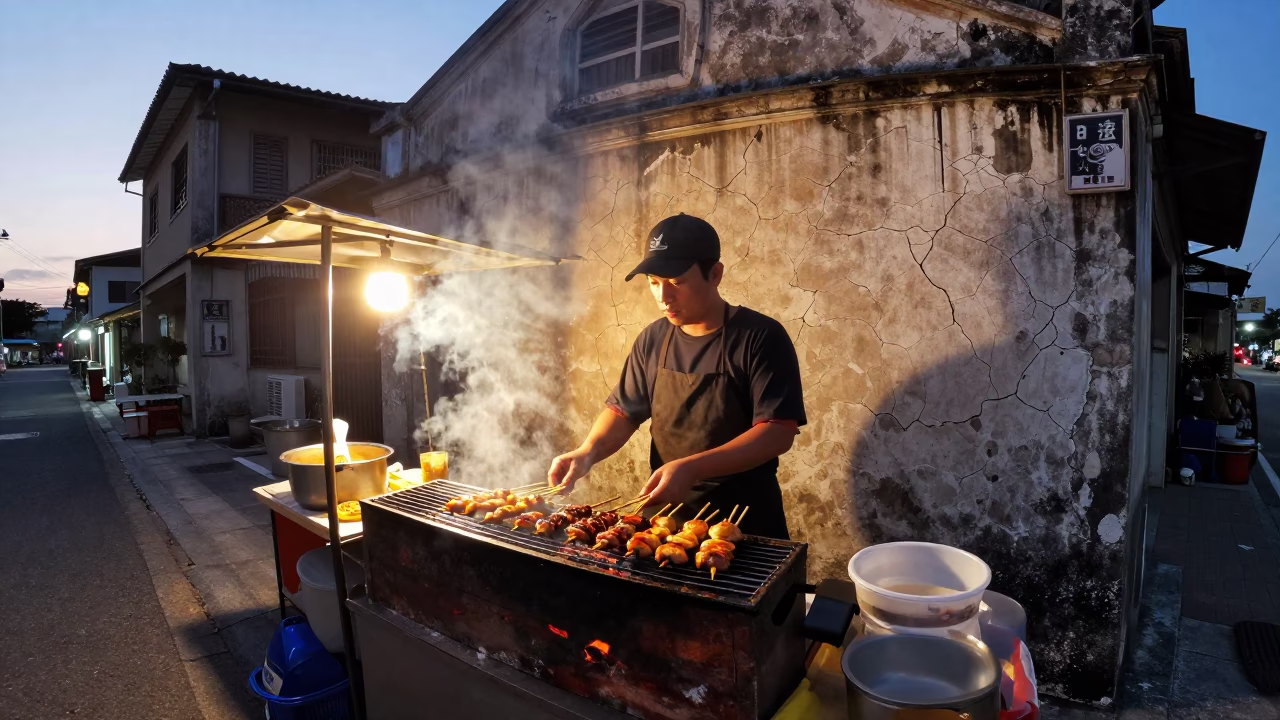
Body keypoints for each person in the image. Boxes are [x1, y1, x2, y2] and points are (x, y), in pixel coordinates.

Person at [547, 214, 806, 539]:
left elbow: (778, 432)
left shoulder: (761, 337)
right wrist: (588, 451)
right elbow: (623, 412)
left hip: (743, 524)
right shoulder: (653, 339)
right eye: (654, 282)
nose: (663, 296)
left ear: (715, 274)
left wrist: (692, 467)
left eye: (677, 282)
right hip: (665, 523)